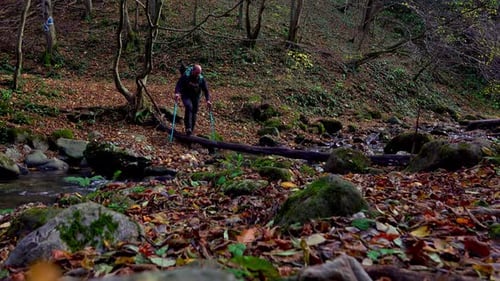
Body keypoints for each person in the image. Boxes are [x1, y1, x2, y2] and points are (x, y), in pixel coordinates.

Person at [174, 64, 212, 136]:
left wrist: (208, 100)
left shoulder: (201, 78)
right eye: (197, 73)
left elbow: (206, 90)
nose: (198, 74)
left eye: (199, 73)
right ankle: (188, 128)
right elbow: (179, 85)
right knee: (189, 107)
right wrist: (177, 93)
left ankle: (191, 129)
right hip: (186, 95)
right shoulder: (186, 76)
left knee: (194, 111)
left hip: (196, 96)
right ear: (193, 71)